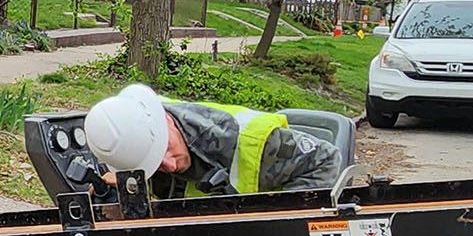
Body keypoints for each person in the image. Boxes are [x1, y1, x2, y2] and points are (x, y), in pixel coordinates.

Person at [83, 83, 342, 198]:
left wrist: (272, 221)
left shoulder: (261, 143)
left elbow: (328, 160)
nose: (170, 165)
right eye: (156, 164)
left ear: (167, 122)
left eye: (165, 149)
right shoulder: (131, 130)